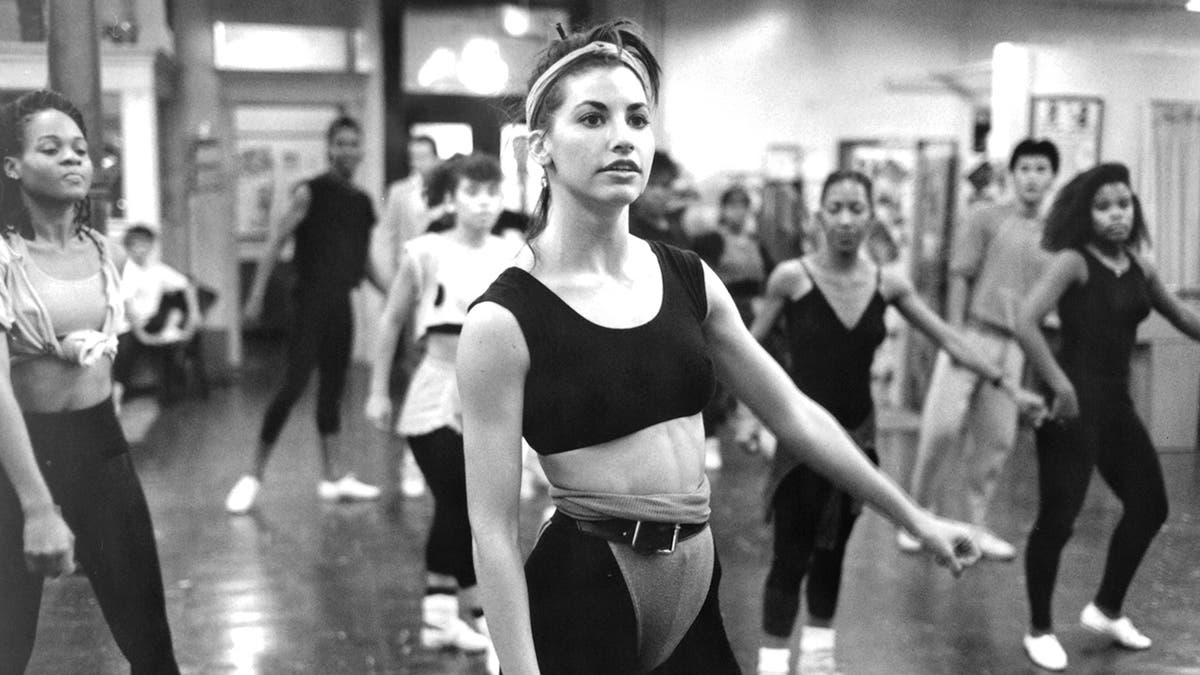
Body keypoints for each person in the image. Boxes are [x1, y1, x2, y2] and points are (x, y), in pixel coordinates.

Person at [457, 20, 981, 675]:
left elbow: (795, 413)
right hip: (587, 583)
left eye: (638, 118)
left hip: (694, 577)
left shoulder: (689, 279)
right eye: (592, 118)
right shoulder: (503, 320)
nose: (623, 137)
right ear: (541, 146)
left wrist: (915, 518)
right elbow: (492, 529)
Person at [749, 170, 1046, 675]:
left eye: (856, 209)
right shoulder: (791, 278)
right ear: (820, 217)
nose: (846, 220)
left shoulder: (889, 283)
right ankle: (773, 664)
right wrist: (745, 414)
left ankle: (818, 657)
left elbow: (949, 339)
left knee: (833, 552)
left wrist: (1008, 385)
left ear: (871, 218)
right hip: (801, 437)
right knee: (790, 555)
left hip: (858, 437)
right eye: (836, 209)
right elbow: (747, 348)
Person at [0, 89, 179, 673]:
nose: (74, 158)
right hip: (19, 459)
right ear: (13, 166)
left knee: (152, 649)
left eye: (80, 148)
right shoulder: (4, 258)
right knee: (7, 650)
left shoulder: (109, 255)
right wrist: (37, 508)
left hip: (102, 452)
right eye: (51, 148)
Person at [1013, 163, 1200, 672]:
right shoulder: (1073, 262)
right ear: (1086, 215)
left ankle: (1106, 609)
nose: (1117, 214)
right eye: (1103, 206)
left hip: (1116, 406)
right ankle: (1039, 629)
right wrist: (1059, 384)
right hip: (1072, 407)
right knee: (1058, 520)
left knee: (1150, 506)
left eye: (1124, 203)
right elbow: (1025, 322)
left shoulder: (1140, 266)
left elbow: (1182, 316)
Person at [365, 153, 517, 665]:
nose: (483, 204)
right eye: (472, 193)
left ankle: (453, 613)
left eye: (492, 193)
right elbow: (391, 321)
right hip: (435, 387)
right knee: (456, 500)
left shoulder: (511, 253)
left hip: (489, 393)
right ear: (451, 199)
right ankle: (459, 614)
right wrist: (377, 391)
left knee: (474, 507)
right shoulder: (425, 251)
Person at [901, 139, 1060, 560]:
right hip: (972, 335)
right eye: (1025, 168)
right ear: (1012, 174)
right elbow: (960, 274)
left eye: (1041, 169)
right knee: (940, 430)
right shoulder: (986, 217)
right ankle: (918, 518)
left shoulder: (1056, 235)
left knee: (996, 442)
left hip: (1015, 345)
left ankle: (975, 525)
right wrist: (955, 337)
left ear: (1052, 177)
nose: (1032, 177)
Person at [225, 115, 388, 514]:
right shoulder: (309, 193)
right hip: (309, 302)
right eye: (341, 143)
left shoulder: (362, 202)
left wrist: (395, 294)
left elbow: (362, 259)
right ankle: (252, 476)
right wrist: (255, 296)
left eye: (354, 143)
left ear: (362, 149)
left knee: (334, 389)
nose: (348, 150)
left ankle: (333, 477)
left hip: (341, 303)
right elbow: (275, 242)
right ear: (329, 148)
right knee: (293, 385)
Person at [375, 135, 443, 502]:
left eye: (424, 156)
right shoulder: (399, 192)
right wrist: (391, 284)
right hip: (413, 288)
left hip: (445, 289)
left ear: (435, 158)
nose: (418, 162)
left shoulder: (450, 190)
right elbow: (388, 236)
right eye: (413, 156)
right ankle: (411, 460)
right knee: (416, 370)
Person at [111, 223, 201, 407]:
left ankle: (169, 394)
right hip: (129, 326)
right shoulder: (126, 271)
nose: (140, 250)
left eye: (144, 244)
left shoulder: (158, 270)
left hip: (152, 321)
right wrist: (143, 336)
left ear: (151, 246)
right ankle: (115, 400)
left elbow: (188, 285)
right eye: (135, 245)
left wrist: (194, 313)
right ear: (128, 248)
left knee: (172, 336)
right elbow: (128, 309)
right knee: (124, 354)